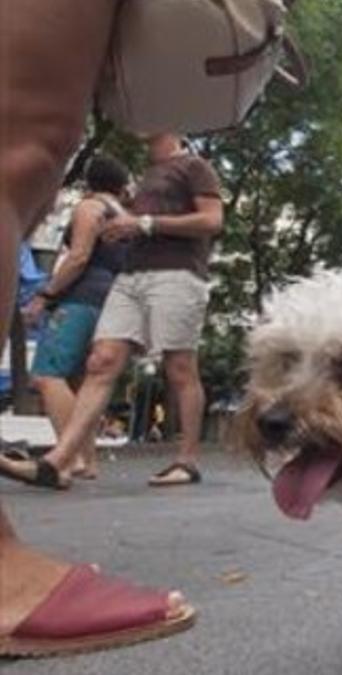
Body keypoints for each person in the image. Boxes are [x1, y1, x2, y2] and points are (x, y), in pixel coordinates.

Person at [0, 0, 194, 657]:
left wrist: (46, 292)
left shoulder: (138, 188)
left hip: (106, 290)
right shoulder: (121, 195)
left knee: (24, 149)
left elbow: (80, 252)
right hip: (114, 293)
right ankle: (70, 454)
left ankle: (75, 453)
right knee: (22, 146)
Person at [2, 133, 222, 490]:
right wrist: (126, 229)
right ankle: (58, 462)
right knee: (100, 361)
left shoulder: (194, 167)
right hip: (130, 277)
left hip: (177, 273)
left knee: (179, 365)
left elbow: (212, 221)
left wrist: (146, 223)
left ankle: (187, 460)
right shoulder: (145, 178)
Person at [22, 155, 132, 480]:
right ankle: (88, 461)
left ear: (87, 182)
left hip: (80, 297)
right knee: (81, 383)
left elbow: (79, 256)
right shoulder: (126, 216)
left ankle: (67, 459)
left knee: (46, 374)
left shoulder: (89, 207)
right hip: (112, 300)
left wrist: (45, 295)